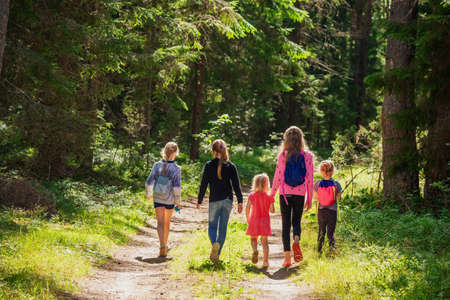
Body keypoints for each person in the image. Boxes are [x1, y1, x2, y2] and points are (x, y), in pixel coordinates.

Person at [271, 126, 314, 267]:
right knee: (296, 221)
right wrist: (309, 198)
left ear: (287, 140)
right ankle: (296, 239)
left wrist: (271, 196)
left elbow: (277, 177)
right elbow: (309, 179)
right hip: (300, 194)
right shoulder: (308, 156)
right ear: (301, 139)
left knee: (285, 224)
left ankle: (287, 258)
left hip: (285, 194)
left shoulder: (283, 155)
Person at [197, 139, 243, 263]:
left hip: (214, 201)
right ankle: (216, 254)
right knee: (222, 229)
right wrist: (240, 201)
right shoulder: (231, 166)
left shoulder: (208, 165)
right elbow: (236, 185)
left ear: (213, 151)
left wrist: (199, 200)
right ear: (224, 150)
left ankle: (214, 245)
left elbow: (203, 184)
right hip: (227, 201)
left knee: (212, 227)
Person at [145, 142, 181, 257]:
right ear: (175, 153)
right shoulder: (176, 168)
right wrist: (178, 202)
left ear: (164, 152)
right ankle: (165, 245)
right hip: (169, 199)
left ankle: (161, 245)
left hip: (158, 197)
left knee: (160, 222)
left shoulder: (157, 165)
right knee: (166, 222)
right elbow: (176, 187)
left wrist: (149, 194)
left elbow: (149, 181)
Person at [246, 173, 275, 268]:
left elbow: (248, 208)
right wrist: (271, 202)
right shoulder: (269, 197)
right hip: (265, 221)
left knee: (253, 238)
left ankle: (255, 250)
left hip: (254, 220)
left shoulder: (252, 196)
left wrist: (247, 218)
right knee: (264, 242)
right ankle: (266, 262)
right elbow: (272, 210)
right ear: (267, 185)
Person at [313, 160, 341, 255]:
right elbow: (339, 198)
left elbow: (315, 197)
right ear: (333, 171)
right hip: (332, 211)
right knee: (331, 232)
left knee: (321, 231)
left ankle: (319, 250)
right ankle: (331, 250)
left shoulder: (317, 183)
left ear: (320, 171)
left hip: (321, 211)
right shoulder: (336, 183)